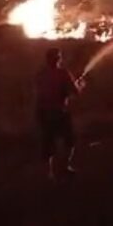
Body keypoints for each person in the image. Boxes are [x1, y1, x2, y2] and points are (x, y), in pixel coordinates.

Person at [35, 47, 84, 180]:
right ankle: (65, 167)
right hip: (59, 112)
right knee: (70, 141)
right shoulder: (63, 73)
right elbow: (75, 92)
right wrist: (80, 85)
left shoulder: (41, 74)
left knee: (48, 143)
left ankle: (48, 174)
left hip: (44, 113)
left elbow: (40, 94)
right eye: (59, 57)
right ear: (58, 59)